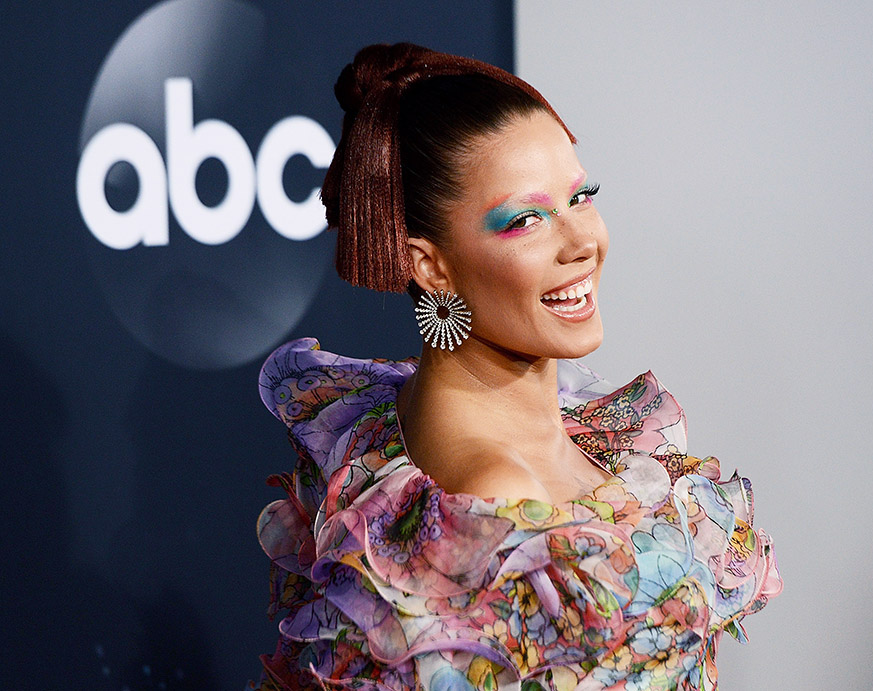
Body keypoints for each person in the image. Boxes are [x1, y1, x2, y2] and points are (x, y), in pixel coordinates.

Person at [251, 43, 782, 691]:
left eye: (581, 196)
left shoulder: (402, 423)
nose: (584, 240)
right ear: (429, 265)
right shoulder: (502, 507)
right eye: (526, 220)